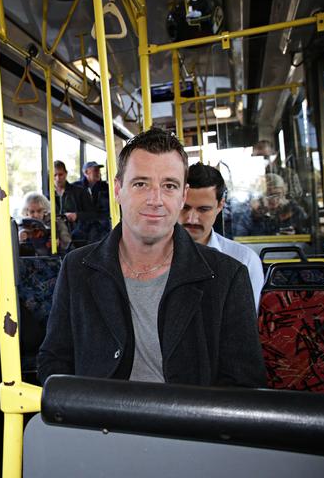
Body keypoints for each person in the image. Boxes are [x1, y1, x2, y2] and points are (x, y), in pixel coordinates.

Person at [38, 128, 266, 388]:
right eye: (141, 184)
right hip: (97, 422)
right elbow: (54, 358)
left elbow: (243, 382)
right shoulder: (77, 267)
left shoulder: (227, 276)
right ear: (118, 189)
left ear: (182, 195)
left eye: (169, 186)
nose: (155, 200)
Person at [179, 163, 264, 312]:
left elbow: (244, 326)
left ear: (220, 206)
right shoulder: (151, 256)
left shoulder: (244, 260)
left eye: (203, 209)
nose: (191, 219)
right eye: (185, 208)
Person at [233, 172, 309, 236]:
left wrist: (295, 236)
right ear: (261, 196)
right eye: (269, 195)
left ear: (284, 192)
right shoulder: (251, 215)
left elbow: (309, 239)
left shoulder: (294, 211)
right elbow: (240, 238)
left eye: (278, 194)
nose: (274, 200)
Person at [53, 160, 94, 240]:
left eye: (60, 174)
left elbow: (93, 214)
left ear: (66, 174)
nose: (58, 178)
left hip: (79, 237)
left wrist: (77, 215)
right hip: (58, 239)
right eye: (55, 175)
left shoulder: (80, 192)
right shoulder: (48, 197)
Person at [72, 161, 112, 242]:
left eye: (99, 170)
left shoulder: (105, 187)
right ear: (86, 172)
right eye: (95, 170)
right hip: (82, 225)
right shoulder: (76, 188)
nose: (98, 173)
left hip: (101, 224)